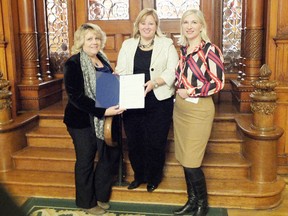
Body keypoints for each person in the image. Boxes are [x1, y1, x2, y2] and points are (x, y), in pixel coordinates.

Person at [63, 23, 125, 215]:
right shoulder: (73, 63)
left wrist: (116, 81)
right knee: (85, 160)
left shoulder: (103, 59)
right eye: (89, 39)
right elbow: (76, 96)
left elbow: (105, 85)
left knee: (109, 155)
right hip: (81, 120)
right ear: (81, 41)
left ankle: (100, 194)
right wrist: (103, 111)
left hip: (106, 118)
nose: (94, 42)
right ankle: (86, 203)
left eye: (97, 38)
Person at [115, 8, 178, 192]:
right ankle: (139, 176)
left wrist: (154, 83)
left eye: (151, 23)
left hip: (159, 101)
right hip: (132, 100)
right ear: (138, 25)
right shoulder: (128, 45)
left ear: (156, 26)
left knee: (155, 141)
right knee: (135, 141)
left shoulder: (166, 44)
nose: (146, 26)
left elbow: (173, 70)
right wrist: (115, 77)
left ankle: (153, 178)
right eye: (143, 23)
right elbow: (120, 69)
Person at [173, 9, 225, 216]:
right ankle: (191, 201)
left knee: (192, 161)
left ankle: (203, 205)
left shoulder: (210, 50)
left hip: (199, 110)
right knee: (184, 158)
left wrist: (191, 91)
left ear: (201, 25)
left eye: (194, 22)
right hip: (181, 109)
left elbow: (218, 83)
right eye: (186, 22)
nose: (189, 26)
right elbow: (180, 77)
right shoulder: (183, 50)